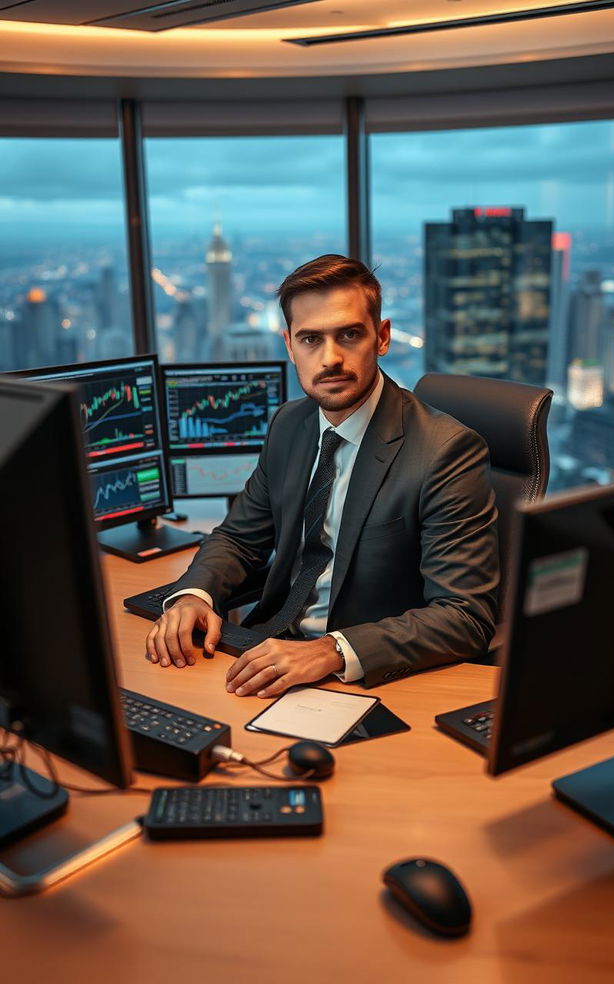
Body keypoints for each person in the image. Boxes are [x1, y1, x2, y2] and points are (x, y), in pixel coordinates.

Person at [146, 254, 499, 696]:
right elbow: (239, 537)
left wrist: (330, 651)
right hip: (266, 652)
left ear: (382, 336)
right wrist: (194, 595)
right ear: (290, 346)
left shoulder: (445, 451)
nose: (330, 358)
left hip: (362, 677)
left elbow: (465, 616)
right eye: (311, 339)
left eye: (349, 335)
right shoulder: (289, 425)